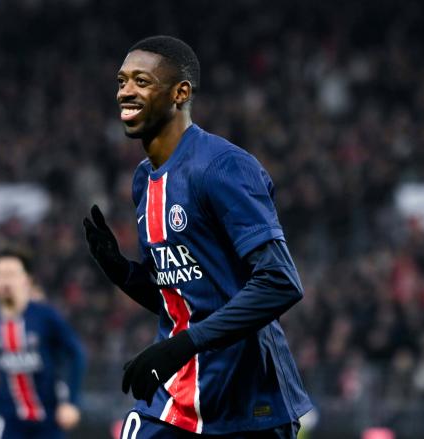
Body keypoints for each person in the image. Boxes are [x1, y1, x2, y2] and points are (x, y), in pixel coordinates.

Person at [84, 35, 312, 438]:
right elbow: (184, 299)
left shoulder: (222, 167)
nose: (125, 92)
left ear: (180, 93)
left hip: (247, 404)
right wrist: (124, 273)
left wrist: (182, 345)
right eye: (121, 81)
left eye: (141, 80)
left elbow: (280, 284)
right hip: (174, 399)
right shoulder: (143, 182)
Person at [0, 246, 85, 439]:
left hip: (48, 424)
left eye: (12, 274)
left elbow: (76, 354)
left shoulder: (46, 316)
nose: (5, 281)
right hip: (11, 425)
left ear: (27, 279)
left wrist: (71, 402)